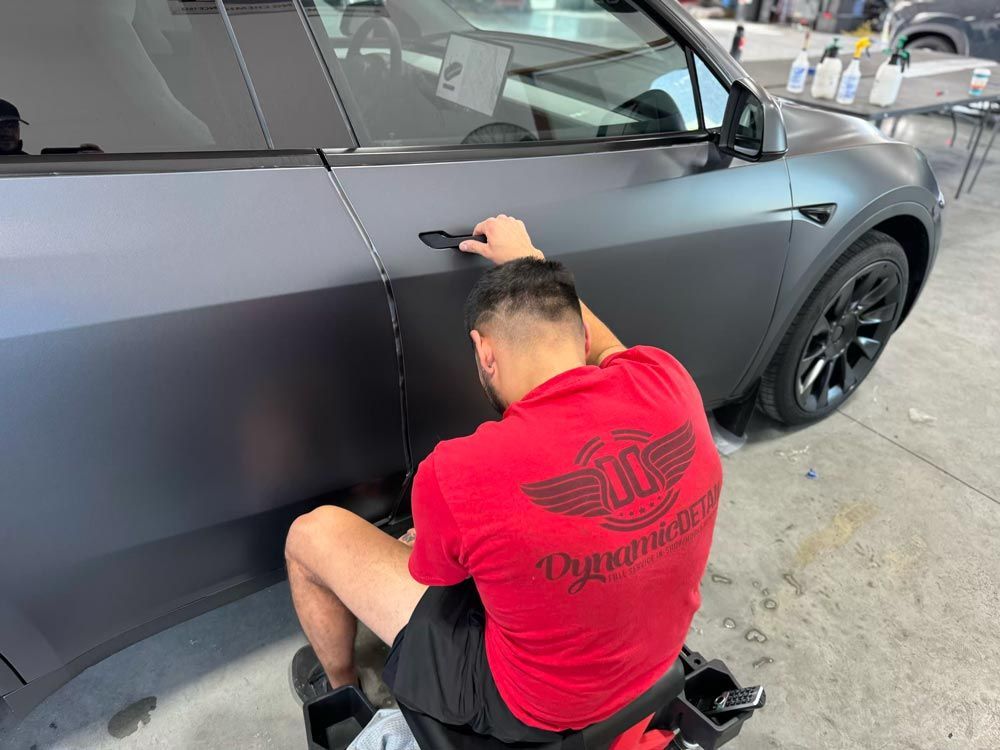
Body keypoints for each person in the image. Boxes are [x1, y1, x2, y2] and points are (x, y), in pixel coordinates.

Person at [285, 216, 723, 742]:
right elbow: (606, 346)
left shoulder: (458, 471)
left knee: (310, 536)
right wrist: (530, 259)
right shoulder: (665, 380)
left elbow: (438, 581)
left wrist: (432, 530)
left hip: (532, 708)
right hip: (652, 664)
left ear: (484, 352)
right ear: (579, 336)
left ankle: (342, 684)